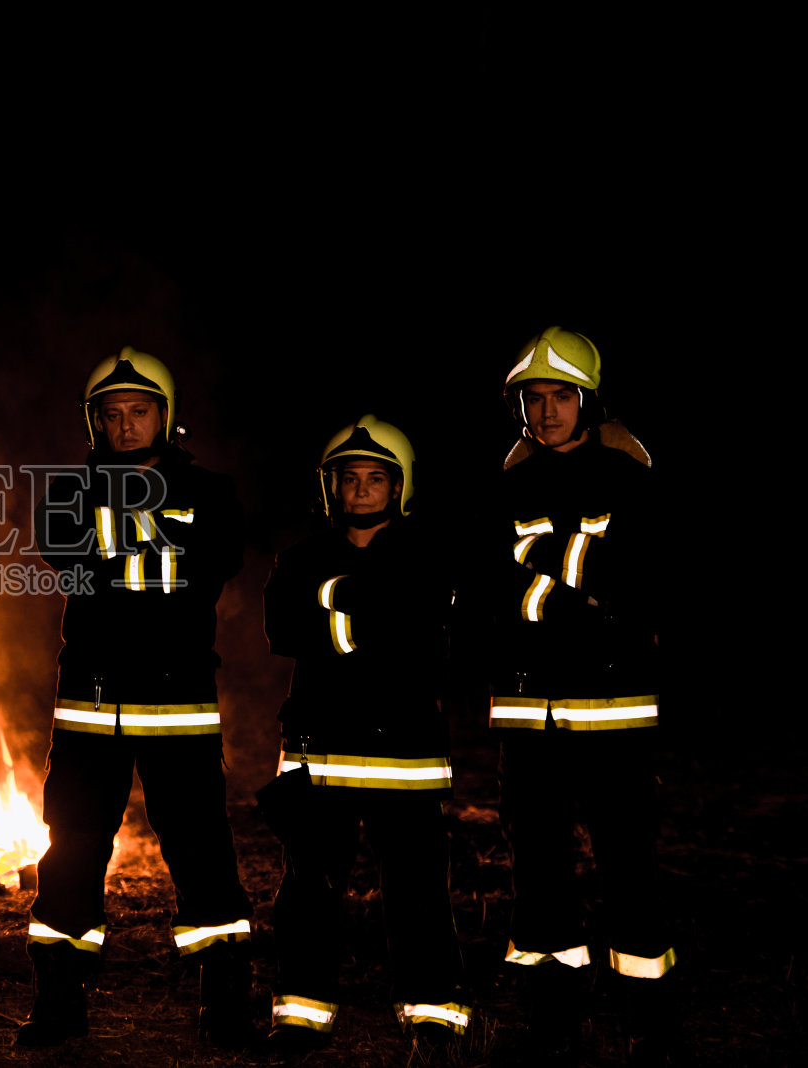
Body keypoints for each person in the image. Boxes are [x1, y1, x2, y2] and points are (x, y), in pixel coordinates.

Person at [19, 347, 255, 1048]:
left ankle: (227, 1005)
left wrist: (121, 540)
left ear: (166, 417)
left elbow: (211, 565)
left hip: (178, 703)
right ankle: (58, 1004)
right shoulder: (66, 489)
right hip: (90, 710)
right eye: (111, 415)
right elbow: (67, 556)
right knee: (73, 854)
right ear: (94, 423)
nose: (125, 426)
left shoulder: (213, 493)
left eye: (139, 412)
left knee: (202, 852)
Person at [489, 327, 676, 1063]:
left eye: (560, 395)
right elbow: (484, 592)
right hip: (526, 710)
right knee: (537, 871)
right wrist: (578, 601)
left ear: (589, 400)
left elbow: (644, 586)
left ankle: (650, 1018)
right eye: (533, 397)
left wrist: (564, 605)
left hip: (613, 709)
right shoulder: (503, 489)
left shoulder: (631, 482)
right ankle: (550, 1015)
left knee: (628, 864)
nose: (545, 410)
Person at [258, 415, 471, 1052]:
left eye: (375, 478)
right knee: (307, 892)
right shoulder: (297, 559)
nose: (360, 490)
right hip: (317, 755)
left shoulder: (431, 558)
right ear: (329, 487)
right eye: (348, 478)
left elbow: (424, 643)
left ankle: (433, 1011)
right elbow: (284, 631)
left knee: (417, 890)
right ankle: (300, 1012)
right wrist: (375, 614)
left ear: (400, 487)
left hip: (404, 755)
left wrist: (335, 612)